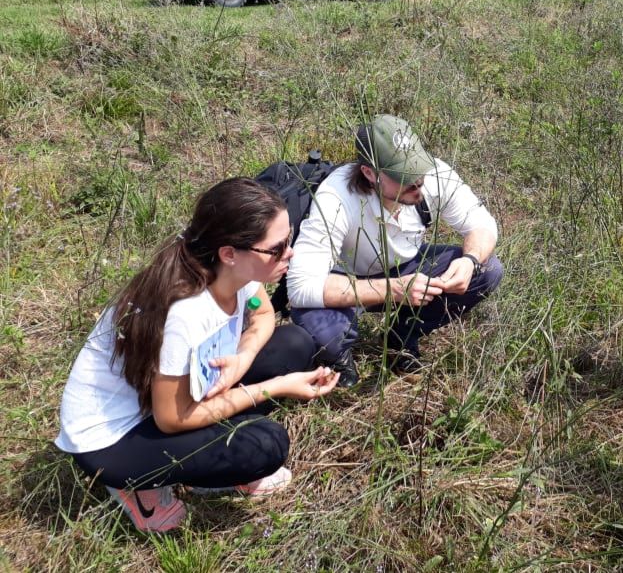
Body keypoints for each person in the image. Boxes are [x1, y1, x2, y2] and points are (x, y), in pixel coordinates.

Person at [55, 178, 340, 533]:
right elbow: (172, 419)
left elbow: (264, 315)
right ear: (229, 253)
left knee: (295, 342)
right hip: (115, 436)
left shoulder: (233, 271)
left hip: (173, 391)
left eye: (290, 239)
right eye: (277, 248)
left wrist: (242, 359)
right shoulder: (184, 313)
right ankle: (139, 486)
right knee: (266, 445)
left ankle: (209, 460)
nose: (290, 253)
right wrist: (274, 386)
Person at [287, 114, 503, 382]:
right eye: (403, 176)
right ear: (369, 173)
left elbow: (482, 224)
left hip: (407, 268)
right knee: (326, 334)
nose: (417, 182)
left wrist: (470, 260)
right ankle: (337, 360)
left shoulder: (435, 176)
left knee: (488, 269)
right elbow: (300, 288)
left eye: (418, 169)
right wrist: (393, 289)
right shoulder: (336, 197)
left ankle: (400, 340)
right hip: (343, 280)